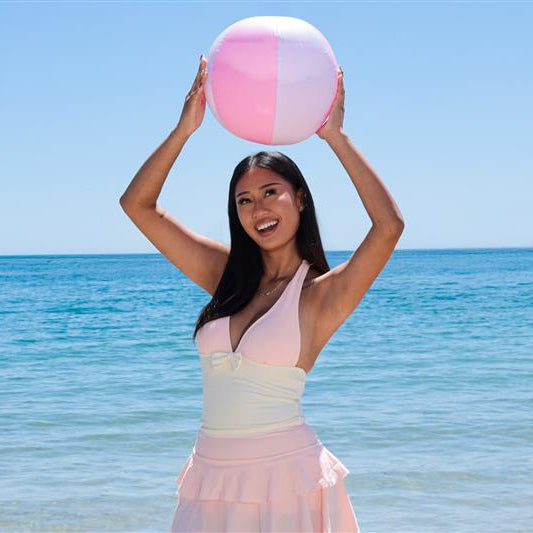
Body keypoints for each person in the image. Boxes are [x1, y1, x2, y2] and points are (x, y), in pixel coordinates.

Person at [120, 55, 404, 532]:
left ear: (301, 197)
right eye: (245, 200)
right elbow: (137, 206)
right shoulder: (226, 276)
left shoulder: (319, 296)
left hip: (286, 481)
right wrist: (184, 130)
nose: (259, 209)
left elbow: (388, 227)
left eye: (272, 192)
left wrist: (336, 136)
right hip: (210, 479)